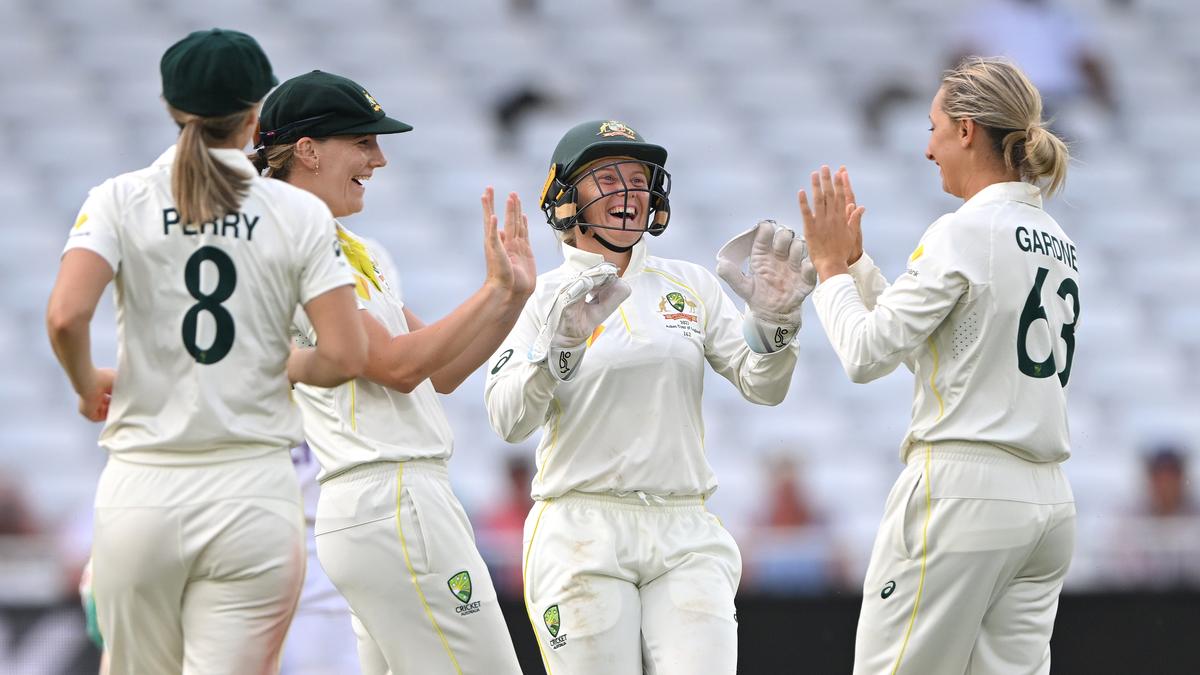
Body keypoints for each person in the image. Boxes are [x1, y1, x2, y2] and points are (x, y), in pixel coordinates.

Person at [44, 29, 367, 675]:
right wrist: (272, 366)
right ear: (255, 115)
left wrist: (87, 384)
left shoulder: (119, 197)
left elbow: (65, 314)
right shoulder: (297, 214)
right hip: (254, 491)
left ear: (170, 106)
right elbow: (345, 356)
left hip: (144, 488)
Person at [483, 119, 817, 674]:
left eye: (638, 178)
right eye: (607, 177)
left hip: (684, 525)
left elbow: (764, 387)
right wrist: (557, 348)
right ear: (566, 196)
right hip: (580, 529)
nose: (629, 192)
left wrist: (776, 322)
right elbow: (509, 421)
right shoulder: (538, 297)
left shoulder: (690, 284)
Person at [799, 57, 1078, 674]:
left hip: (962, 492)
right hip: (1048, 503)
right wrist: (862, 269)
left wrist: (829, 271)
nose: (927, 149)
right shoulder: (1055, 238)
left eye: (933, 128)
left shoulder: (962, 231)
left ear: (967, 131)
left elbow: (867, 354)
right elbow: (947, 350)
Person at [252, 70, 531, 674]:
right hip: (391, 497)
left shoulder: (353, 247)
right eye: (362, 141)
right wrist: (491, 290)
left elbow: (442, 370)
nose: (378, 159)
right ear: (306, 150)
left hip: (386, 501)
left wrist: (510, 299)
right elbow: (399, 367)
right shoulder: (293, 244)